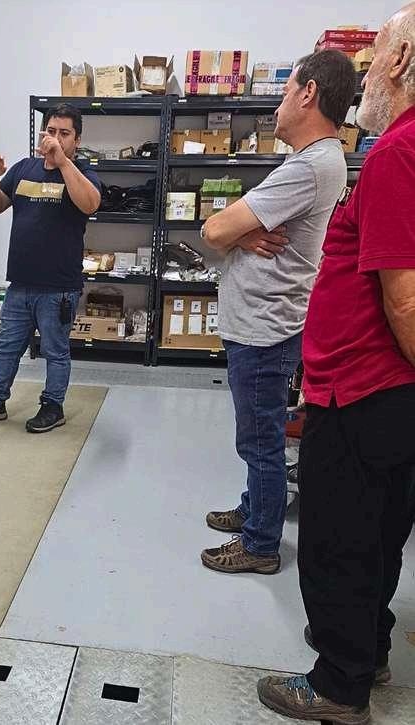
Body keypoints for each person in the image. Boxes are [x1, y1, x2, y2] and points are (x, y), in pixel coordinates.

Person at [257, 5, 415, 723]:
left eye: (376, 54)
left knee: (337, 540)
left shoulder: (396, 153)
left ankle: (339, 685)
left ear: (401, 61)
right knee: (376, 533)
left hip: (361, 390)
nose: (366, 74)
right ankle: (368, 649)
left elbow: (404, 300)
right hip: (379, 389)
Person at [198, 51, 356, 575]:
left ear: (308, 93)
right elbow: (233, 231)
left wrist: (236, 231)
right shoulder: (315, 161)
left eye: (287, 92)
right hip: (265, 321)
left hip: (264, 328)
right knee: (259, 432)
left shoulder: (309, 167)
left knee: (260, 439)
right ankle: (255, 510)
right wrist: (247, 233)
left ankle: (261, 543)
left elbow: (213, 230)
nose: (278, 104)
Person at [0, 104, 101, 433]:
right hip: (20, 284)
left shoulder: (81, 172)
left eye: (64, 133)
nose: (55, 138)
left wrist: (62, 162)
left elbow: (90, 203)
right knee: (8, 347)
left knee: (55, 351)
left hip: (59, 287)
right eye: (51, 131)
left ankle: (53, 406)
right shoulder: (24, 169)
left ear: (76, 140)